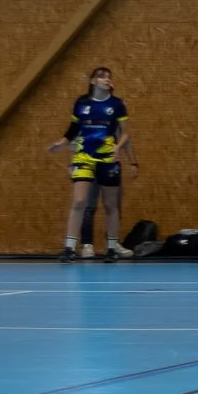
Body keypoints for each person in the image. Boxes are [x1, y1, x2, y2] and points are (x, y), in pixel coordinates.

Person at [48, 66, 136, 262]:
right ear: (93, 81)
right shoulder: (82, 103)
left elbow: (126, 133)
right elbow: (72, 130)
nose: (106, 79)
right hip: (83, 156)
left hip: (108, 158)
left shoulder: (117, 104)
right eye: (101, 76)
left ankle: (112, 248)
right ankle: (69, 247)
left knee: (110, 204)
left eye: (109, 77)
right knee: (79, 201)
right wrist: (60, 144)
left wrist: (118, 148)